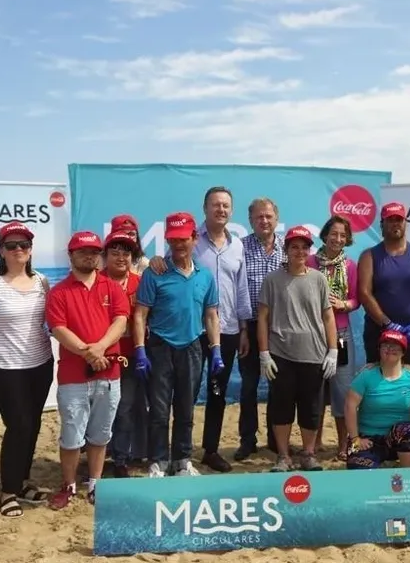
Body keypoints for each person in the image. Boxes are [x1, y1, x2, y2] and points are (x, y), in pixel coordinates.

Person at [0, 221, 54, 517]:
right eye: (11, 245)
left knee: (33, 425)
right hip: (4, 368)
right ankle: (8, 491)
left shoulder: (42, 281)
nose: (18, 250)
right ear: (1, 251)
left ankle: (23, 481)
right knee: (17, 426)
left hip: (40, 364)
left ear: (31, 250)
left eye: (24, 245)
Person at [44, 231, 129, 509]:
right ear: (71, 256)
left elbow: (120, 321)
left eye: (94, 252)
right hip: (73, 376)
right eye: (83, 252)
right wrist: (88, 353)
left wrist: (100, 348)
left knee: (101, 434)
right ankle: (68, 485)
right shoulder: (59, 292)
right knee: (71, 435)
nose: (89, 256)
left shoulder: (112, 287)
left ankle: (95, 483)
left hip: (108, 373)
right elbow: (58, 329)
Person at [133, 212, 221, 478]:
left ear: (194, 239)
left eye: (183, 239)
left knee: (186, 407)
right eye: (173, 240)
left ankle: (182, 460)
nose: (178, 245)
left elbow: (211, 315)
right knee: (159, 409)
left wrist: (215, 349)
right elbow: (140, 314)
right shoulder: (155, 272)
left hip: (193, 347)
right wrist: (139, 350)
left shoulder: (205, 276)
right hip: (160, 346)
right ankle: (158, 460)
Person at [258, 225, 338, 472]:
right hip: (281, 354)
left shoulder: (318, 279)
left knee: (311, 408)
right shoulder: (272, 280)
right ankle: (283, 455)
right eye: (295, 247)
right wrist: (264, 354)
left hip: (313, 355)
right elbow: (263, 317)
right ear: (287, 249)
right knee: (281, 408)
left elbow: (328, 317)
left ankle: (308, 453)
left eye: (304, 247)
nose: (300, 251)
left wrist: (332, 351)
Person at [345, 330, 410, 470]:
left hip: (398, 438)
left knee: (408, 430)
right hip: (366, 437)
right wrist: (355, 438)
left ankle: (407, 475)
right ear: (379, 349)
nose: (390, 349)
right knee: (358, 471)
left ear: (403, 352)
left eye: (395, 346)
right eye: (385, 345)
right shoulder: (365, 376)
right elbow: (350, 406)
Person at [308, 215, 361, 460]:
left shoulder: (350, 266)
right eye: (334, 234)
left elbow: (357, 300)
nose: (338, 239)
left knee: (341, 388)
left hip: (340, 335)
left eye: (343, 235)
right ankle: (315, 441)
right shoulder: (309, 262)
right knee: (315, 389)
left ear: (347, 239)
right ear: (325, 235)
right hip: (312, 335)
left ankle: (343, 443)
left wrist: (343, 303)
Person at [358, 202, 410, 366]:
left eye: (399, 220)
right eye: (390, 220)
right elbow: (364, 293)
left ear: (405, 223)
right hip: (378, 333)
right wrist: (387, 323)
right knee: (378, 385)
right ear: (382, 224)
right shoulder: (369, 256)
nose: (395, 224)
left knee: (408, 384)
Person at [237, 197, 285, 459]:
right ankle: (247, 440)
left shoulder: (289, 249)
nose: (264, 221)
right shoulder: (240, 248)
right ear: (251, 221)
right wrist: (243, 330)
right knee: (248, 386)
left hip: (281, 329)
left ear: (276, 218)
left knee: (279, 387)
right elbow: (238, 292)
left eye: (268, 216)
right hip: (251, 327)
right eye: (259, 217)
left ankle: (276, 440)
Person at [101, 229, 144, 478]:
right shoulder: (95, 281)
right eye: (114, 252)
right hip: (102, 358)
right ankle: (96, 452)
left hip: (131, 357)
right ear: (105, 255)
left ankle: (120, 458)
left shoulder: (141, 283)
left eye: (126, 253)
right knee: (101, 409)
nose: (120, 257)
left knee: (125, 408)